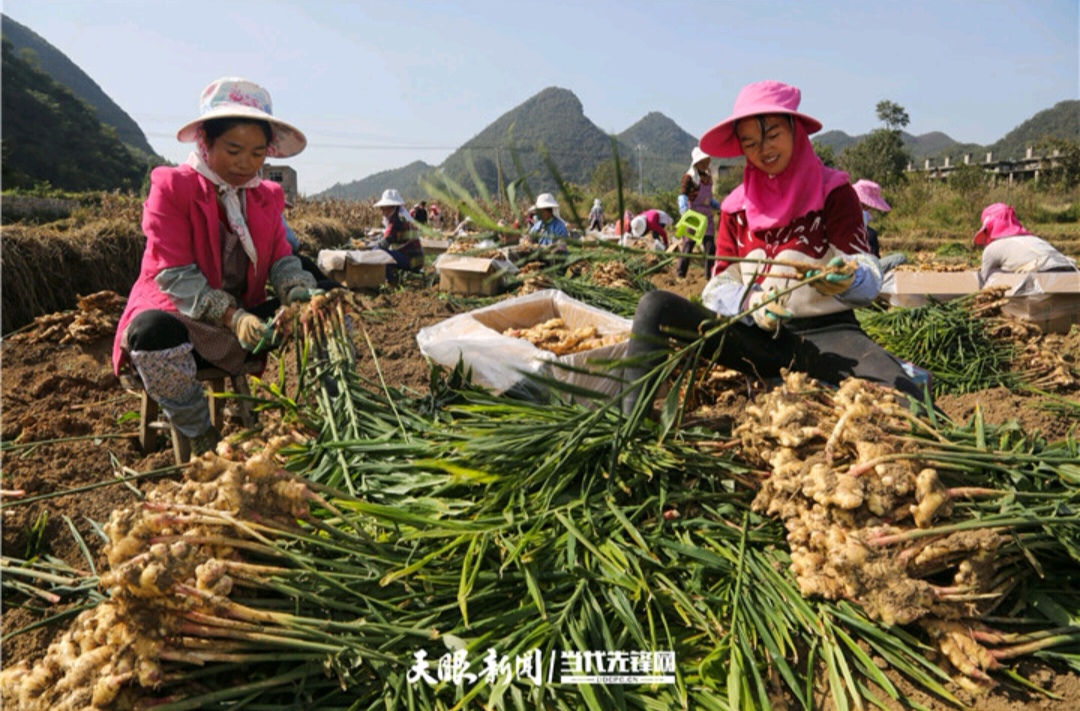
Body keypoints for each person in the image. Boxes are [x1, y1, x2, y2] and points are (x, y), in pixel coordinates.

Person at [624, 80, 929, 415]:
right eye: (750, 142)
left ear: (795, 131)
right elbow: (715, 288)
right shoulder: (734, 209)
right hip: (761, 341)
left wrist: (847, 280)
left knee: (911, 404)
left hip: (831, 336)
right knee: (655, 307)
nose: (763, 150)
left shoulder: (833, 192)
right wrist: (753, 303)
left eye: (772, 136)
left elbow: (869, 274)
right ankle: (629, 427)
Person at [112, 77, 322, 457]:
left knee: (322, 303)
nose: (246, 163)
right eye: (234, 149)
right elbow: (174, 274)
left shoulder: (264, 196)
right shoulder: (172, 188)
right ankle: (200, 435)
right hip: (182, 323)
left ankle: (333, 411)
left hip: (241, 328)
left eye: (258, 153)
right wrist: (232, 316)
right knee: (149, 332)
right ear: (205, 143)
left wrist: (295, 290)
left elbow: (280, 256)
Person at [974, 202, 1076, 282]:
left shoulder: (992, 248)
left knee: (994, 275)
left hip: (1041, 276)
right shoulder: (1035, 239)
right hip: (1070, 270)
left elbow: (985, 281)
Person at [676, 146, 720, 279]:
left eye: (708, 160)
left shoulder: (707, 177)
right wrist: (683, 209)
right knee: (688, 244)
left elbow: (709, 199)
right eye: (704, 160)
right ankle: (680, 274)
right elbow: (682, 195)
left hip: (707, 216)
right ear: (697, 162)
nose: (707, 163)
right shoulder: (689, 177)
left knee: (710, 246)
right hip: (694, 215)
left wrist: (717, 206)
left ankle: (709, 277)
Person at [373, 189, 424, 276]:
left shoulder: (396, 222)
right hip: (416, 260)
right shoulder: (401, 218)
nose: (382, 211)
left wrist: (368, 248)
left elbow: (383, 244)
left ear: (392, 208)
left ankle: (390, 280)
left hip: (411, 259)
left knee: (377, 252)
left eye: (384, 208)